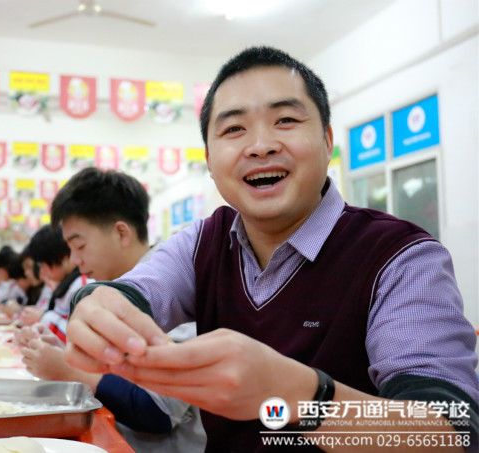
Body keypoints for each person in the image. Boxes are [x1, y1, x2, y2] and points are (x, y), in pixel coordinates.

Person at [63, 46, 479, 452]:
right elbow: (135, 291)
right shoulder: (204, 241)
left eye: (285, 120)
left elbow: (450, 434)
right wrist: (96, 303)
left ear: (327, 140)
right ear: (209, 160)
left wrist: (303, 395)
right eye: (234, 129)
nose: (260, 145)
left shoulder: (401, 257)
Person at [16, 167, 205, 453]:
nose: (75, 260)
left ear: (121, 233)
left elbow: (159, 411)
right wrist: (67, 353)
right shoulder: (114, 289)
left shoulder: (169, 285)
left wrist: (70, 371)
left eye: (79, 245)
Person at [20, 224, 91, 343]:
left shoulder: (81, 285)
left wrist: (42, 317)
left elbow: (81, 336)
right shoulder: (65, 285)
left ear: (62, 257)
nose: (42, 271)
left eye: (43, 264)